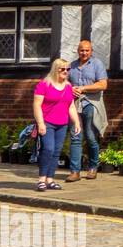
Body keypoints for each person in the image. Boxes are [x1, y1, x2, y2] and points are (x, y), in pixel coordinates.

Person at [32, 58, 82, 192]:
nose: (66, 71)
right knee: (48, 149)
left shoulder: (68, 86)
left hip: (62, 124)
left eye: (68, 69)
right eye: (62, 69)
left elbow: (71, 106)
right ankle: (41, 179)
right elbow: (37, 105)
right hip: (47, 123)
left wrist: (76, 122)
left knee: (56, 151)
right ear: (55, 69)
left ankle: (50, 179)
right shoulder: (44, 84)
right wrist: (40, 123)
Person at [67, 39, 108, 182]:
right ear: (78, 51)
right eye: (81, 50)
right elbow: (64, 83)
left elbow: (103, 84)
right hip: (74, 105)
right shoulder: (71, 66)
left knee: (90, 137)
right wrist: (70, 89)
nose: (84, 53)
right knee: (75, 137)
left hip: (91, 103)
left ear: (91, 51)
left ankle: (92, 167)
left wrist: (83, 88)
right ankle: (74, 171)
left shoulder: (97, 64)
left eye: (87, 50)